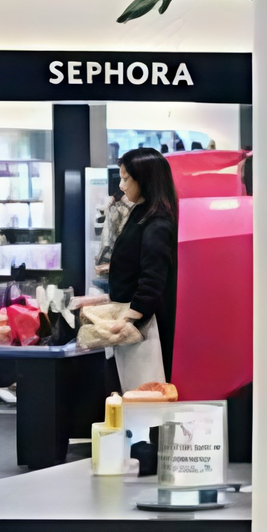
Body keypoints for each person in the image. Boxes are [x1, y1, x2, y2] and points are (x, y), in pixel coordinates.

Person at [103, 149, 179, 387]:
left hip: (148, 326)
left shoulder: (158, 222)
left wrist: (129, 318)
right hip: (137, 322)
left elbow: (153, 277)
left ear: (144, 179)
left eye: (126, 179)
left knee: (147, 400)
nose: (122, 186)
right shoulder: (142, 212)